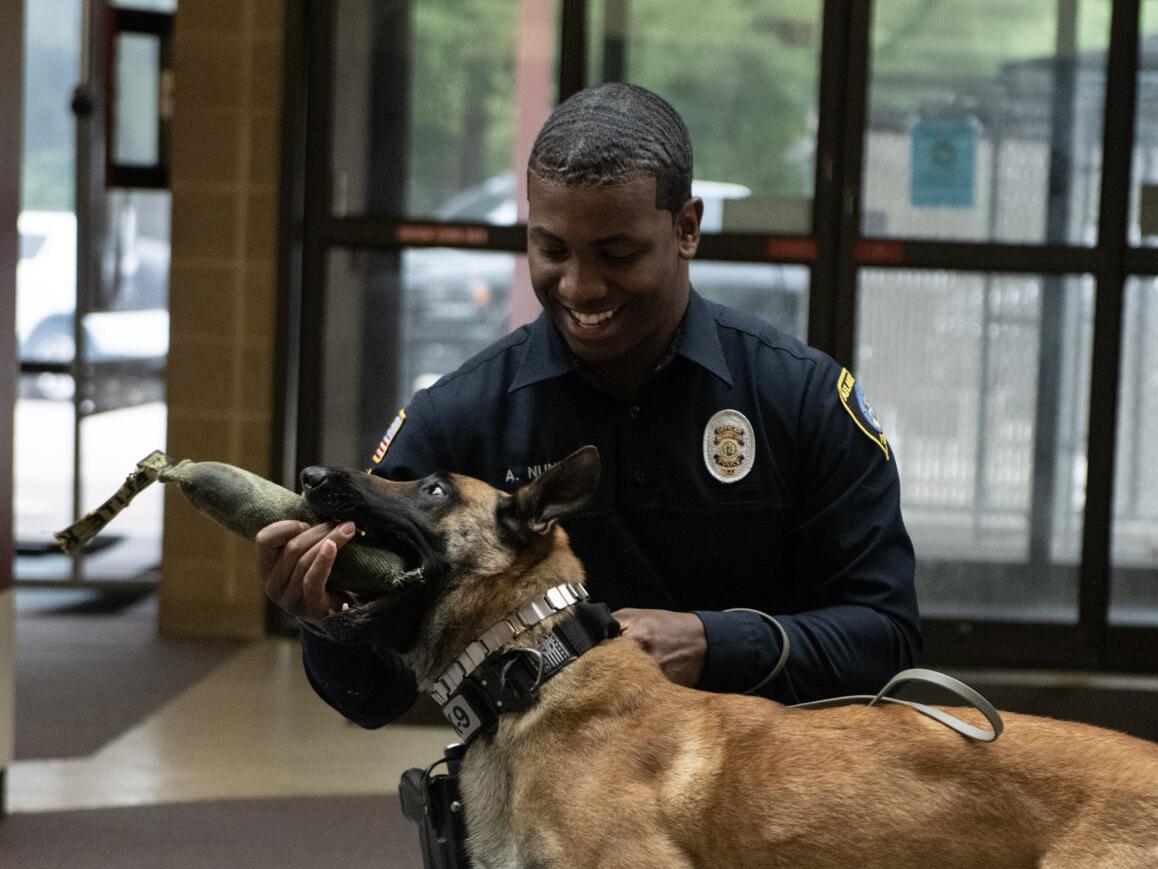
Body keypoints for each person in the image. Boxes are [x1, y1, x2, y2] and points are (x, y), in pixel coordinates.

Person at [258, 83, 921, 728]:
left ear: (686, 228)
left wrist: (714, 642)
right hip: (539, 828)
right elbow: (374, 699)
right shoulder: (461, 418)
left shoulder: (798, 398)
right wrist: (329, 621)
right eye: (551, 250)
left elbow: (886, 639)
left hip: (761, 815)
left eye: (616, 253)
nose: (578, 286)